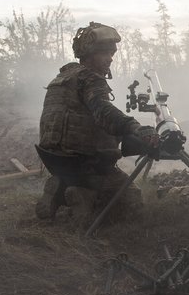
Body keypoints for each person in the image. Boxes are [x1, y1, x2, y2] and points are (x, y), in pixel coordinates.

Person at [35, 22, 159, 225]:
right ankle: (83, 197)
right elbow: (103, 111)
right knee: (133, 200)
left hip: (55, 160)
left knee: (77, 173)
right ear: (89, 54)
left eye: (112, 54)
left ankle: (59, 188)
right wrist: (135, 128)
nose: (110, 59)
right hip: (86, 164)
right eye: (104, 54)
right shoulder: (90, 79)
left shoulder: (62, 77)